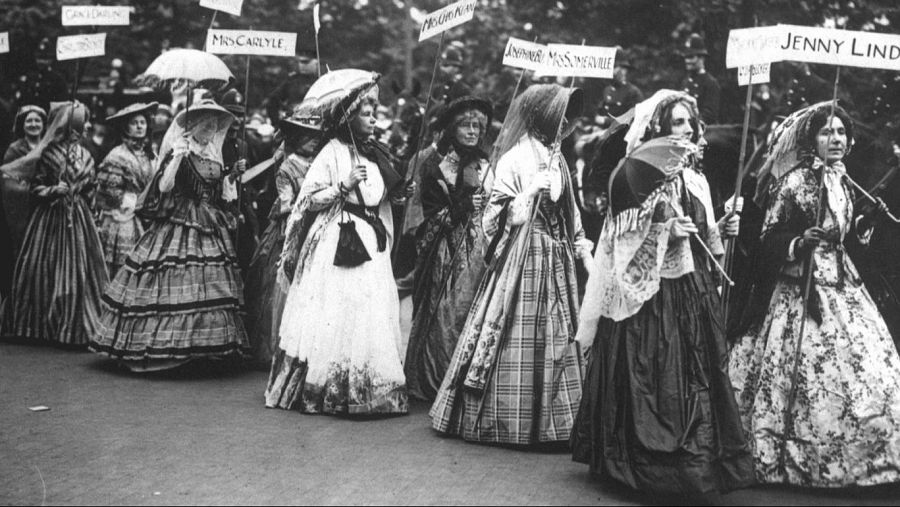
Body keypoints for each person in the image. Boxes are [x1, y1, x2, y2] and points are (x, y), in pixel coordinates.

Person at [571, 90, 753, 494]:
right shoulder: (639, 178)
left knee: (700, 374)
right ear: (659, 129)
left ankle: (702, 461)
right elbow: (621, 245)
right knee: (659, 376)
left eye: (690, 122)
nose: (687, 129)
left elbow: (705, 242)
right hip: (653, 300)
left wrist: (722, 228)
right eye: (677, 123)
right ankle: (657, 465)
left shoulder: (697, 179)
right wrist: (664, 231)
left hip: (692, 289)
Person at [729, 102, 900, 487]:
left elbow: (844, 234)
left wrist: (863, 221)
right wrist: (797, 241)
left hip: (844, 285)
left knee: (868, 367)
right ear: (812, 139)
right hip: (802, 287)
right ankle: (796, 459)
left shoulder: (842, 179)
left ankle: (872, 458)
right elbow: (768, 236)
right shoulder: (795, 181)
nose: (835, 139)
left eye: (841, 132)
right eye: (827, 133)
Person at [430, 84, 592, 445]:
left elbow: (571, 213)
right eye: (561, 116)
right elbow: (493, 218)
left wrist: (583, 249)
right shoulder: (515, 158)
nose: (567, 124)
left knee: (558, 335)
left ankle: (558, 421)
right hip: (523, 254)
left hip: (556, 254)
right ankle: (511, 421)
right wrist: (530, 190)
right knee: (518, 332)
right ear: (544, 117)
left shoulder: (558, 157)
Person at [266, 75, 413, 415]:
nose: (374, 118)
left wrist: (401, 193)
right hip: (340, 238)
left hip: (371, 242)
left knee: (369, 311)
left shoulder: (376, 153)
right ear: (348, 117)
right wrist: (343, 186)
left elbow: (380, 195)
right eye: (366, 112)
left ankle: (368, 387)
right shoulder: (330, 152)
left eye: (374, 111)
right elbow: (309, 200)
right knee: (342, 309)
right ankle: (332, 387)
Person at [90, 99, 249, 372]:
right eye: (206, 126)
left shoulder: (213, 154)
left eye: (214, 127)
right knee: (174, 277)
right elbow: (164, 187)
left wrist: (232, 176)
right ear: (195, 127)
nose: (211, 131)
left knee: (209, 281)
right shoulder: (180, 150)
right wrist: (176, 157)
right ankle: (168, 348)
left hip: (209, 221)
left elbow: (219, 192)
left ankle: (202, 348)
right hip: (180, 220)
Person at [404, 96, 492, 401]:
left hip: (479, 245)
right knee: (444, 311)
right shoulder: (437, 163)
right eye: (466, 126)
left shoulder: (484, 163)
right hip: (446, 249)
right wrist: (464, 206)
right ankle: (436, 376)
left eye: (477, 126)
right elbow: (432, 214)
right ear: (453, 129)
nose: (471, 132)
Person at [1, 102, 108, 346]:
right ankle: (45, 325)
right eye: (74, 127)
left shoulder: (87, 154)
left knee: (82, 270)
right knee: (46, 269)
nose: (77, 132)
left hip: (79, 218)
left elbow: (91, 186)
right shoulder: (48, 153)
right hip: (50, 218)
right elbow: (34, 187)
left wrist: (91, 199)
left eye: (80, 128)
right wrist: (52, 189)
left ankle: (78, 326)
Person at [243, 116, 324, 369]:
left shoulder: (318, 163)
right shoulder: (287, 167)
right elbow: (287, 203)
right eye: (307, 137)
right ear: (296, 139)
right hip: (291, 227)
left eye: (315, 137)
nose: (312, 142)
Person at [94, 102, 158, 276]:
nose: (139, 126)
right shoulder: (117, 155)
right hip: (123, 216)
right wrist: (137, 203)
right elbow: (110, 192)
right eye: (134, 122)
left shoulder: (150, 155)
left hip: (148, 215)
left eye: (142, 122)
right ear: (125, 128)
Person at [2, 105, 47, 259]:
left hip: (47, 207)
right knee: (26, 251)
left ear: (43, 124)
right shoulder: (15, 149)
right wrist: (32, 188)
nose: (33, 124)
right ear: (23, 125)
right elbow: (9, 181)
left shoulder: (49, 147)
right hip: (25, 208)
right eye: (29, 121)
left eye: (37, 120)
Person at [680, 33, 721, 125]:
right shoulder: (686, 81)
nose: (687, 61)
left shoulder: (711, 83)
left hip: (704, 131)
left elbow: (709, 115)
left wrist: (693, 124)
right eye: (686, 57)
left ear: (702, 58)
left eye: (691, 57)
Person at [596, 54, 643, 128]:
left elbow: (633, 118)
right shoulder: (607, 89)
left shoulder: (633, 92)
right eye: (614, 68)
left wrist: (606, 121)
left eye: (622, 69)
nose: (617, 72)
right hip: (602, 132)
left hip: (622, 133)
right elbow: (599, 112)